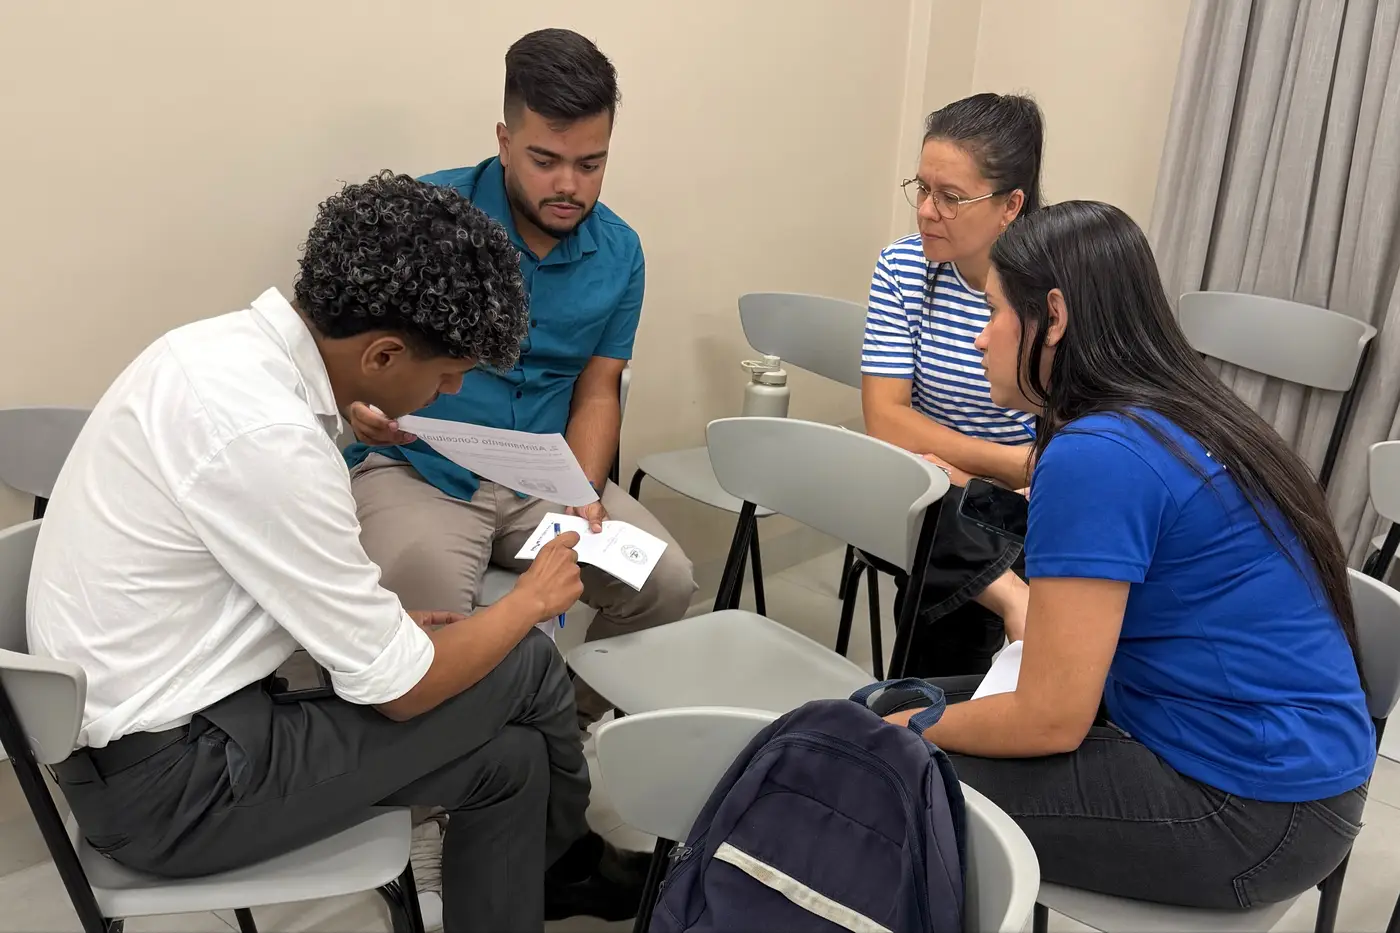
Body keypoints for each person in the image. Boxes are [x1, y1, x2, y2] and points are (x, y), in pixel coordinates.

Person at [28, 172, 650, 932]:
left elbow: (259, 566)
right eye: (448, 375)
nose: (452, 393)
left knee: (512, 764)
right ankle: (569, 851)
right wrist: (530, 602)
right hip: (175, 791)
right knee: (526, 660)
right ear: (383, 355)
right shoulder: (272, 441)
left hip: (167, 732)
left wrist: (388, 629)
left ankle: (554, 857)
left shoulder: (210, 351)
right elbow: (402, 692)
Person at [880, 200, 1374, 908]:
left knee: (882, 771)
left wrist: (908, 730)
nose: (981, 339)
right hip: (1285, 768)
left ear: (1053, 316)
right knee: (883, 710)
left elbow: (1051, 718)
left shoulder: (1097, 454)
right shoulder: (1174, 412)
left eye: (993, 313)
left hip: (1253, 807)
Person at [343, 28, 697, 728]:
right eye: (545, 160)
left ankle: (558, 726)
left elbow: (598, 389)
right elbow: (355, 356)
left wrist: (582, 494)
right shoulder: (429, 217)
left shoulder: (620, 252)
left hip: (543, 476)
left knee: (667, 582)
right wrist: (359, 406)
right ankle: (459, 770)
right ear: (505, 142)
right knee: (423, 646)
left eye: (591, 164)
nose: (568, 185)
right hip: (422, 469)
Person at [860, 93, 1041, 675]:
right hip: (945, 488)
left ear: (1011, 205)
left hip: (1027, 500)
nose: (926, 211)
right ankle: (1007, 607)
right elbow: (885, 419)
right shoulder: (902, 267)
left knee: (953, 551)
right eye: (922, 189)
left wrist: (985, 475)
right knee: (927, 509)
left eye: (951, 198)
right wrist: (999, 465)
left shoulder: (1052, 287)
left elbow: (1069, 441)